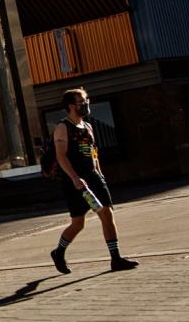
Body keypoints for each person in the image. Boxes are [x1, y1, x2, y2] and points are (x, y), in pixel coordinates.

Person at [50, 87, 139, 274]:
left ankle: (116, 259)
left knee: (107, 214)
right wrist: (75, 178)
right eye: (81, 101)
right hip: (75, 182)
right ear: (71, 105)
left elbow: (93, 151)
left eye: (86, 100)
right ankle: (59, 252)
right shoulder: (62, 127)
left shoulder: (88, 126)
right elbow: (61, 156)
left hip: (94, 179)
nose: (86, 104)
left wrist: (99, 172)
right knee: (78, 223)